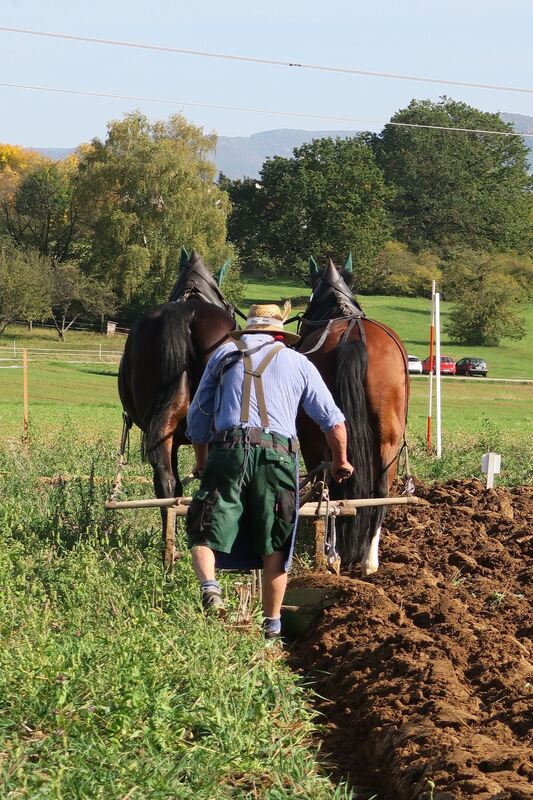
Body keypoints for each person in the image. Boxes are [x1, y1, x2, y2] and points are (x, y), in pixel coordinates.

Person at [186, 302, 353, 638]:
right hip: (277, 456)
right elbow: (333, 422)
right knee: (276, 541)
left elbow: (198, 415)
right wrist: (341, 461)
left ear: (247, 329)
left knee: (204, 527)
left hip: (228, 450)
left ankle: (210, 588)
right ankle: (272, 628)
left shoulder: (223, 356)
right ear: (280, 334)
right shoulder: (298, 362)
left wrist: (203, 460)